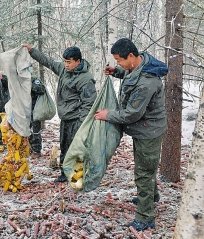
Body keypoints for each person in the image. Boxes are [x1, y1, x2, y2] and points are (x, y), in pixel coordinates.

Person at [94, 38, 168, 231]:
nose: (118, 63)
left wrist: (108, 115)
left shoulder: (147, 82)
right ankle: (152, 197)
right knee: (146, 167)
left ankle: (145, 217)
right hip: (144, 129)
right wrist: (117, 72)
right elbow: (130, 74)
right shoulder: (139, 66)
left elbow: (132, 113)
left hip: (148, 131)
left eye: (119, 60)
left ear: (131, 56)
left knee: (143, 173)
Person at [23, 44, 97, 182]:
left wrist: (82, 124)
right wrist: (32, 51)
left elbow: (89, 103)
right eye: (64, 61)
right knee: (64, 146)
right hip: (65, 117)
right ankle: (64, 173)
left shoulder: (86, 79)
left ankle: (78, 175)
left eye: (69, 62)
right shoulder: (64, 69)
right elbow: (49, 62)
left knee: (76, 148)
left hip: (77, 119)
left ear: (78, 61)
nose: (66, 65)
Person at [29, 75, 46, 159]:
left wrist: (29, 85)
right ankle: (27, 148)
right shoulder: (17, 79)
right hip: (23, 110)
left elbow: (41, 89)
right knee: (24, 130)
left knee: (35, 131)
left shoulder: (34, 79)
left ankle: (36, 150)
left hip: (34, 109)